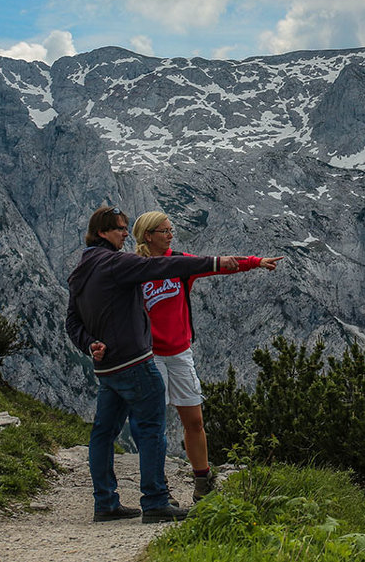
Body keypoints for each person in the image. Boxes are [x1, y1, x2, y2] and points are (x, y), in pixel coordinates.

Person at [66, 205, 239, 524]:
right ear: (103, 232)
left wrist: (89, 343)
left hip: (108, 368)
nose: (123, 233)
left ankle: (105, 503)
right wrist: (217, 262)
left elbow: (72, 321)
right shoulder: (116, 263)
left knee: (103, 433)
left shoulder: (80, 271)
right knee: (151, 429)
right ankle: (157, 501)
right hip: (135, 360)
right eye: (119, 228)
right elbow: (164, 265)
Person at [130, 210, 282, 501]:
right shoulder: (134, 268)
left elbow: (217, 265)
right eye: (165, 231)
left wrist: (255, 263)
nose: (170, 235)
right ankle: (157, 485)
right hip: (149, 356)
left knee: (195, 421)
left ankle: (202, 480)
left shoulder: (180, 263)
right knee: (153, 423)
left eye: (171, 230)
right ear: (148, 236)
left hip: (180, 353)